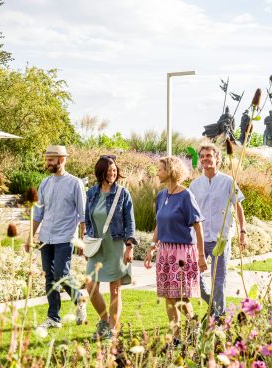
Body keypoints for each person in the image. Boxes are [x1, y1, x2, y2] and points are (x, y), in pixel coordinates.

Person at [144, 155, 207, 341]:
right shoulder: (161, 195)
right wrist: (152, 247)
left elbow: (198, 225)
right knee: (168, 297)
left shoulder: (186, 195)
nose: (157, 173)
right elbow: (159, 224)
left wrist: (201, 255)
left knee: (180, 297)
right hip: (165, 252)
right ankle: (177, 337)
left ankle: (194, 329)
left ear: (171, 171)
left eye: (160, 169)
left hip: (182, 253)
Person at [26, 145, 89, 328]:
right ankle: (53, 317)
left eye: (50, 160)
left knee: (61, 274)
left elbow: (83, 215)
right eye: (46, 159)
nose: (47, 163)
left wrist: (82, 240)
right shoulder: (45, 183)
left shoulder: (75, 183)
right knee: (49, 277)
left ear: (61, 160)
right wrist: (30, 237)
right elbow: (38, 214)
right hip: (46, 238)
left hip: (65, 237)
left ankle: (79, 300)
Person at [188, 143, 246, 320]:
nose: (205, 159)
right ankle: (214, 305)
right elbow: (190, 212)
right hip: (199, 239)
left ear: (217, 159)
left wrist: (243, 231)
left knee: (218, 281)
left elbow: (238, 207)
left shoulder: (228, 181)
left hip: (221, 238)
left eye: (209, 156)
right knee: (193, 277)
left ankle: (219, 316)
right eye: (203, 156)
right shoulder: (195, 185)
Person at [83, 154, 137, 341]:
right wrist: (87, 241)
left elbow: (130, 221)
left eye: (115, 170)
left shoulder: (123, 194)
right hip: (97, 246)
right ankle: (105, 321)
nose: (113, 174)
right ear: (101, 172)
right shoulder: (91, 193)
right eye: (109, 171)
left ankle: (112, 329)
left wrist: (130, 246)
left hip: (116, 245)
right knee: (90, 285)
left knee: (115, 289)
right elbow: (87, 220)